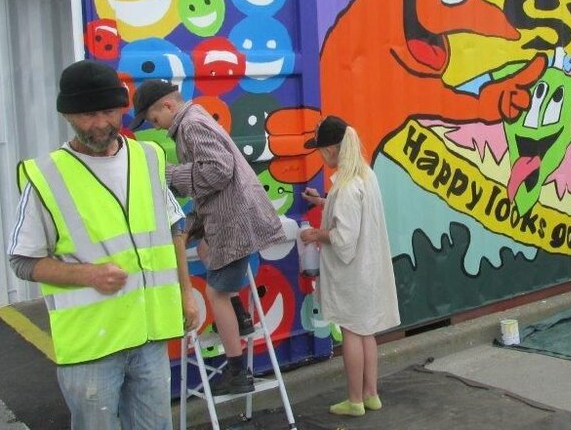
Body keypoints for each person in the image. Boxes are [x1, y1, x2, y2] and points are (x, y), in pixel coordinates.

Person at [7, 60, 200, 430]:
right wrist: (89, 274)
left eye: (109, 111)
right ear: (67, 115)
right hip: (91, 348)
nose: (100, 123)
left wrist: (186, 293)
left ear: (123, 108)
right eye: (87, 115)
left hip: (149, 335)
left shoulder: (148, 157)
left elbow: (175, 227)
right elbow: (22, 261)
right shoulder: (46, 176)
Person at [131, 79, 285, 396]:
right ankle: (241, 317)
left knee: (216, 295)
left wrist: (170, 174)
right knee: (204, 248)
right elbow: (216, 185)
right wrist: (194, 226)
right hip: (234, 217)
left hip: (234, 222)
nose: (156, 127)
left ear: (168, 106)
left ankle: (238, 371)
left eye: (154, 119)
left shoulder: (190, 126)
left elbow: (218, 171)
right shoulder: (195, 119)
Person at [299, 116, 400, 417]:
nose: (319, 156)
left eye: (319, 150)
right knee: (366, 331)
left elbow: (343, 239)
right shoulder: (365, 176)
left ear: (332, 150)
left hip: (351, 273)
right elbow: (354, 213)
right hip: (368, 270)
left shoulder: (344, 188)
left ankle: (354, 400)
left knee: (352, 332)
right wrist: (322, 202)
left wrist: (315, 234)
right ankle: (371, 395)